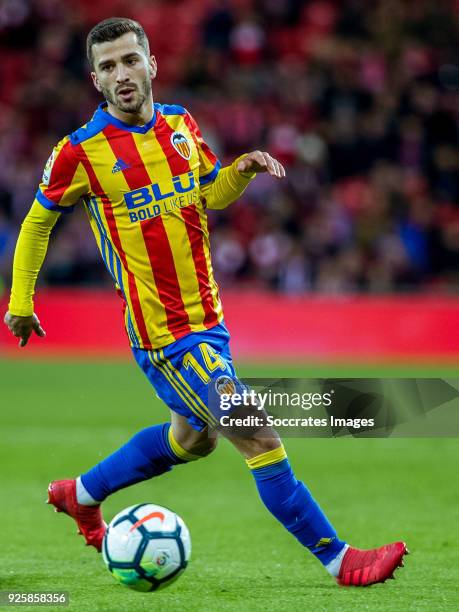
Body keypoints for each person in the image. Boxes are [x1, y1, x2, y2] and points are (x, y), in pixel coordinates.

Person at [4, 17, 407, 587]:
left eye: (130, 60)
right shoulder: (80, 153)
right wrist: (21, 300)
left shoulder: (180, 124)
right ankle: (340, 560)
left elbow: (208, 191)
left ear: (152, 64)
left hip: (210, 322)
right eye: (109, 66)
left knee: (192, 439)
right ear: (95, 80)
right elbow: (36, 225)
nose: (122, 74)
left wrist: (239, 172)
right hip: (166, 336)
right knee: (259, 433)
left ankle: (82, 494)